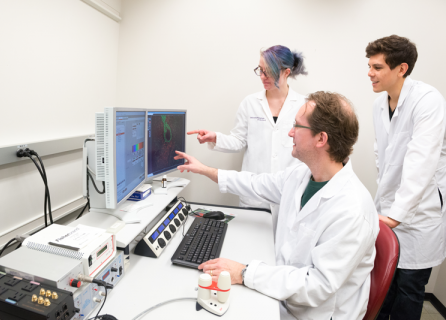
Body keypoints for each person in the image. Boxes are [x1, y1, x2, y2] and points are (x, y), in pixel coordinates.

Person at [175, 91, 379, 320]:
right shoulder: (303, 175)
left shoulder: (352, 209)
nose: (290, 132)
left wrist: (243, 272)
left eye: (297, 126)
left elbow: (317, 286)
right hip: (283, 292)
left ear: (321, 139)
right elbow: (255, 183)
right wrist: (204, 169)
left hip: (313, 313)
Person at [366, 35, 446, 320]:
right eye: (370, 66)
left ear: (401, 68)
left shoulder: (428, 100)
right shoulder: (379, 105)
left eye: (377, 67)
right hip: (390, 209)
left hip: (420, 213)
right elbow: (382, 155)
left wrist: (396, 214)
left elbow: (420, 161)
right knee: (383, 287)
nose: (369, 73)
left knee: (409, 290)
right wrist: (388, 210)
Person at [188, 45, 308, 215]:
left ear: (286, 73)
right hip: (254, 196)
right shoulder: (250, 103)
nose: (263, 77)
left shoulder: (304, 105)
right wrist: (215, 137)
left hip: (289, 194)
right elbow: (239, 140)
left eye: (269, 72)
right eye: (261, 70)